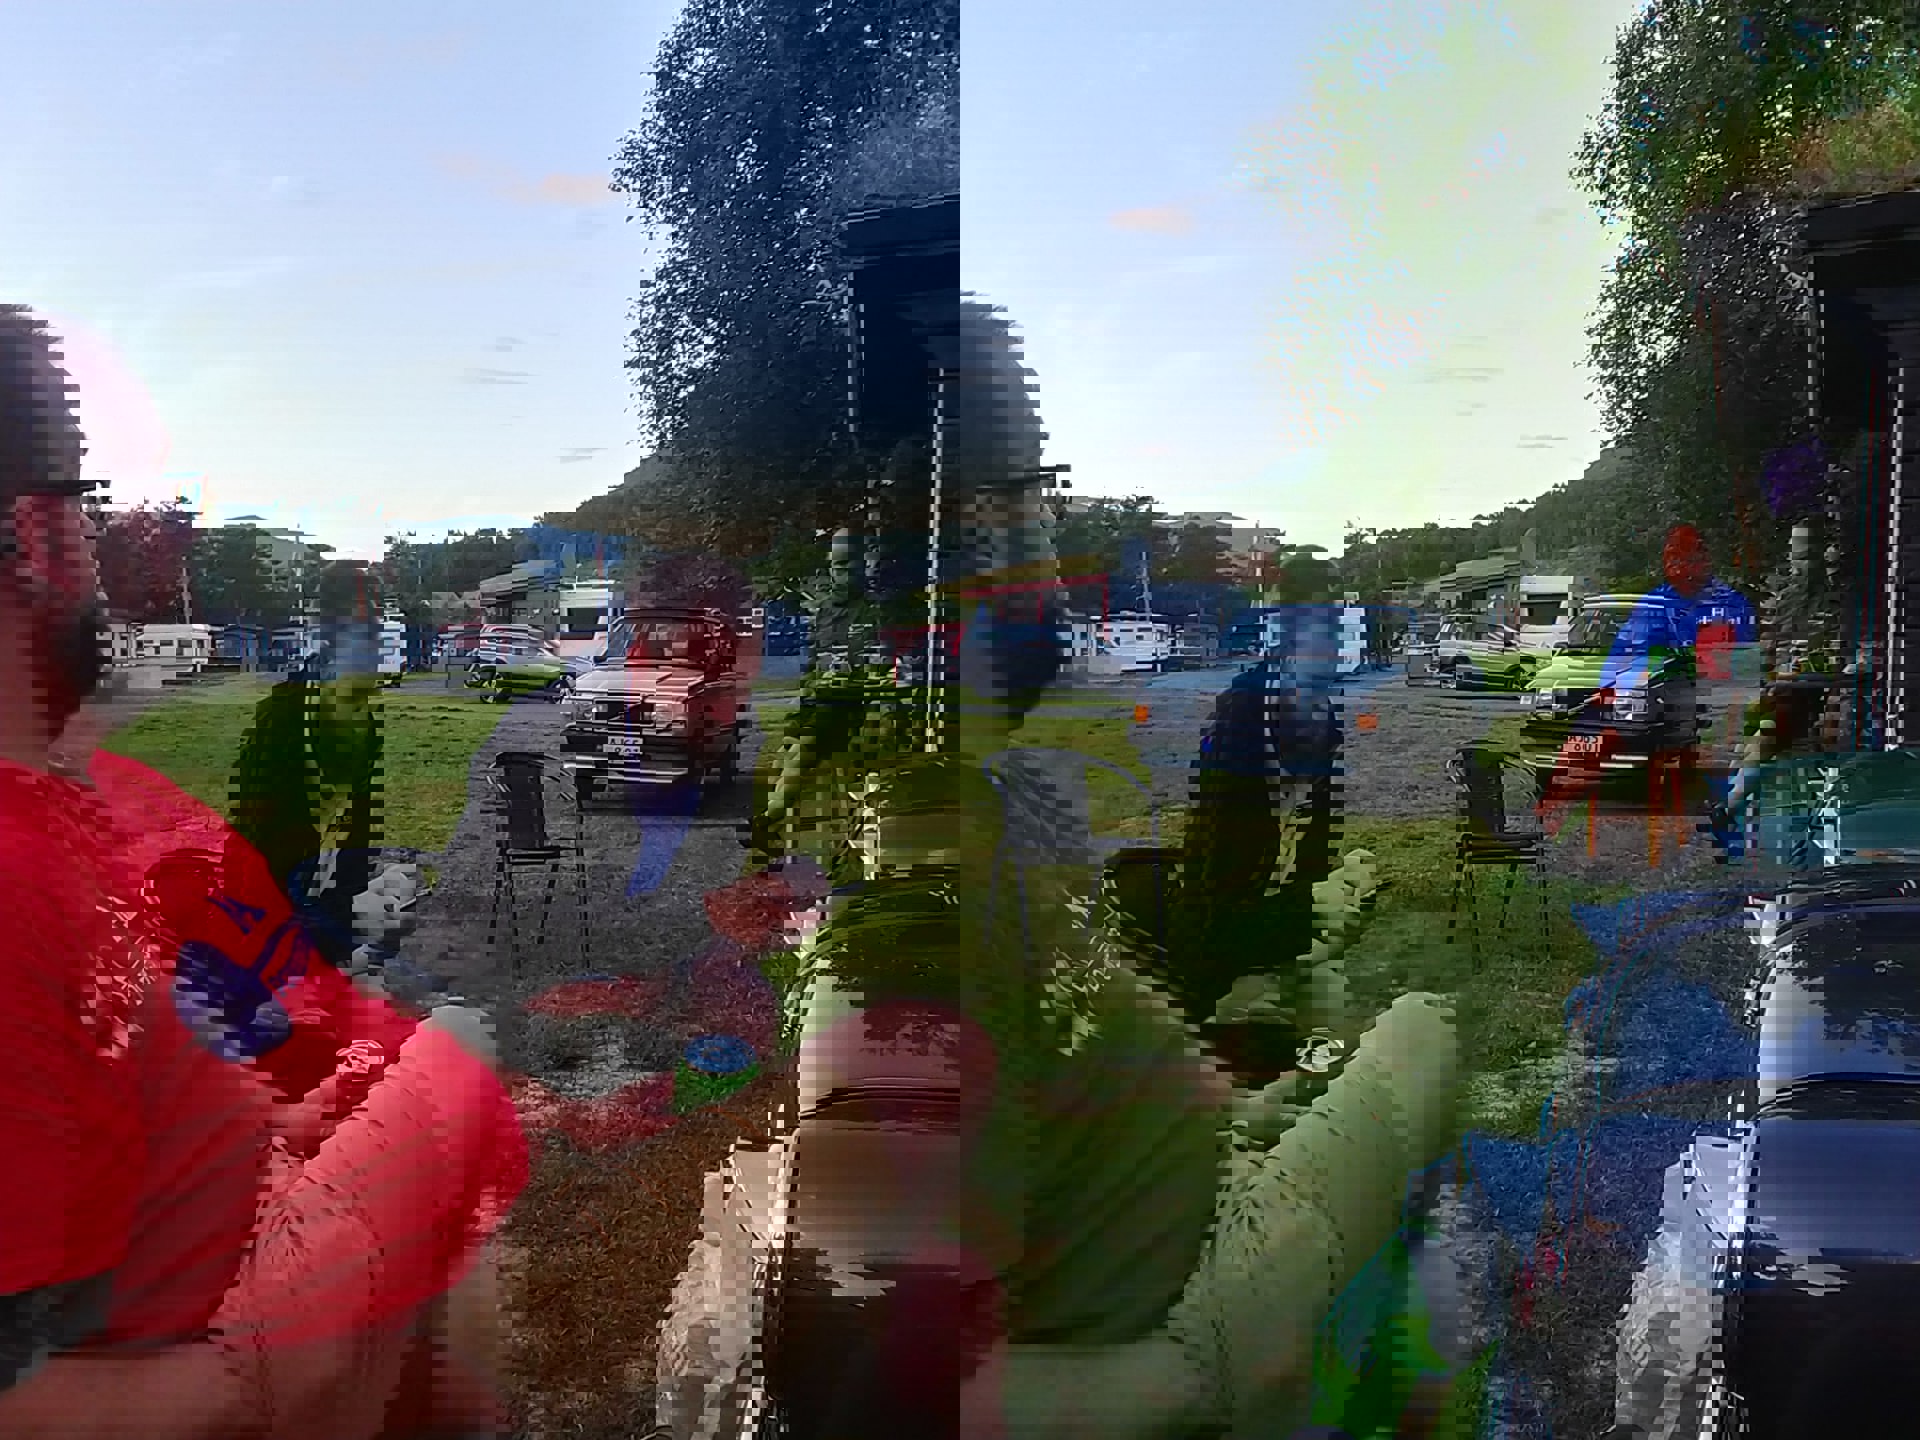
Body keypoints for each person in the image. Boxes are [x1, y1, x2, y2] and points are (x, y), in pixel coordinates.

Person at [0, 303, 525, 1439]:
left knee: (380, 1069)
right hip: (213, 1361)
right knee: (458, 1052)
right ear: (39, 539)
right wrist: (246, 1386)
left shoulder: (79, 815)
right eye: (85, 506)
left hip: (207, 1188)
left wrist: (262, 1122)